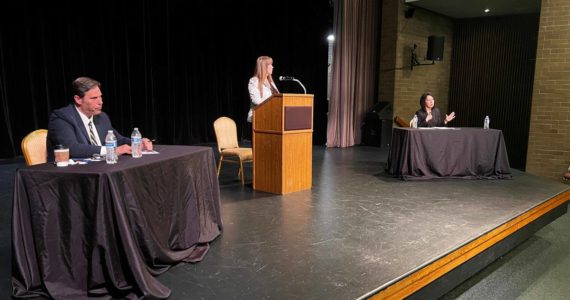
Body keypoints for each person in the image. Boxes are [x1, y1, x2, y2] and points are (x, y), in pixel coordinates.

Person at [47, 76, 153, 158]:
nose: (100, 102)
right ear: (78, 99)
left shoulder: (102, 117)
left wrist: (137, 143)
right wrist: (110, 150)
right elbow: (72, 149)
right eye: (94, 98)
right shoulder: (62, 118)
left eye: (100, 97)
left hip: (100, 168)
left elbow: (118, 140)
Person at [245, 56, 280, 139]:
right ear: (264, 67)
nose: (272, 67)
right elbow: (256, 101)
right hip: (259, 119)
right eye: (270, 65)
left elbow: (278, 98)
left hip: (272, 118)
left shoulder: (271, 82)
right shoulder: (254, 81)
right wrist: (272, 104)